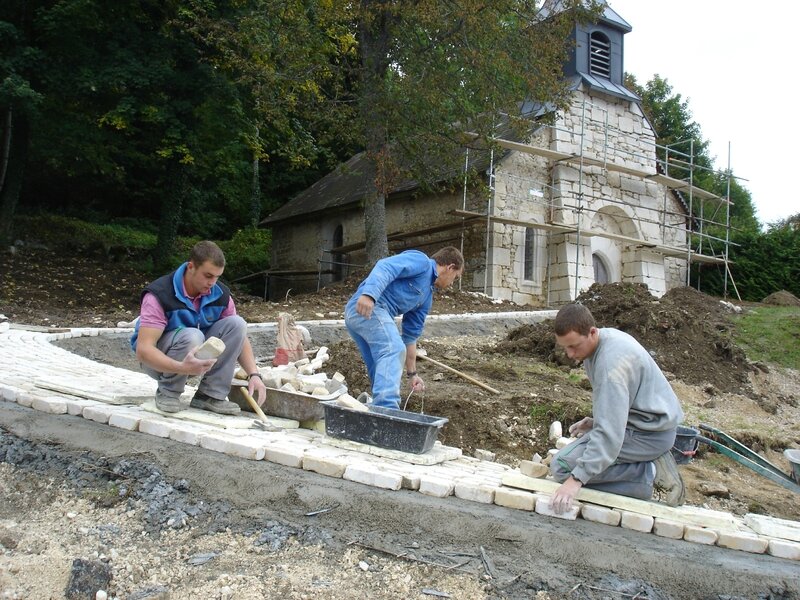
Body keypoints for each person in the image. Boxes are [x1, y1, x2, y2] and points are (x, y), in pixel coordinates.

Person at [549, 303, 685, 513]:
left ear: (592, 332)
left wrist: (575, 481)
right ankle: (640, 479)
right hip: (644, 425)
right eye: (565, 347)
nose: (569, 354)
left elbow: (610, 434)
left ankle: (646, 473)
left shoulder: (610, 365)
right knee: (574, 463)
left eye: (573, 346)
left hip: (648, 434)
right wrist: (596, 422)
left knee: (562, 468)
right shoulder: (604, 341)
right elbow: (624, 404)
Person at [130, 241, 266, 415]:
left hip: (194, 362)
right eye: (208, 275)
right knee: (192, 335)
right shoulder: (159, 294)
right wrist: (182, 368)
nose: (212, 283)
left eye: (217, 277)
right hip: (158, 363)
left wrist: (254, 374)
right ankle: (168, 393)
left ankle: (209, 395)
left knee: (237, 323)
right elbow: (144, 350)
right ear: (191, 267)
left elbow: (238, 336)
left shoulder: (220, 294)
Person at [345, 246, 464, 410]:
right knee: (393, 348)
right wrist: (369, 294)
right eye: (455, 277)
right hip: (367, 306)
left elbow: (410, 337)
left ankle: (375, 413)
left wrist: (412, 374)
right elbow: (385, 266)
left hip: (368, 314)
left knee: (379, 365)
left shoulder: (426, 298)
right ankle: (388, 411)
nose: (452, 284)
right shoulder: (422, 262)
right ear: (450, 267)